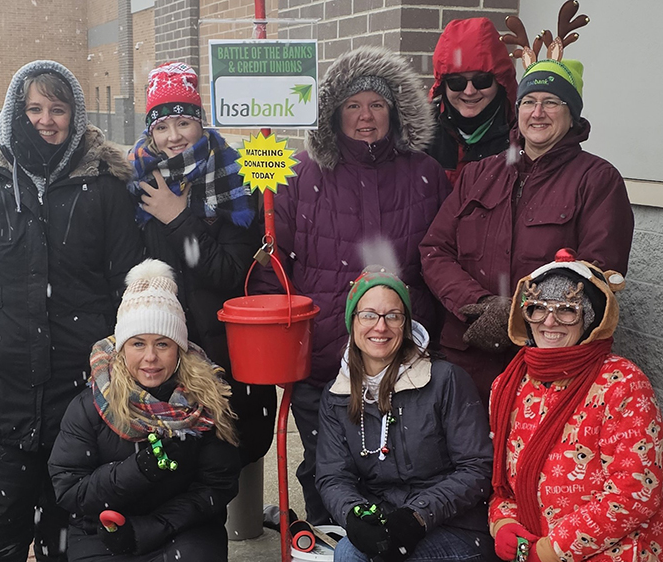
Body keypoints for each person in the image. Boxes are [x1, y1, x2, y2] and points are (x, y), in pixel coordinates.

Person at [0, 60, 144, 562]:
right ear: (15, 111)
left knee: (69, 533)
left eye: (57, 108)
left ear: (75, 113)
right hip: (0, 387)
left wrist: (128, 364)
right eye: (34, 108)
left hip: (79, 392)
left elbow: (128, 281)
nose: (45, 120)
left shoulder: (105, 184)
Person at [250, 45, 451, 525]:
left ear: (395, 111)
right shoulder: (299, 173)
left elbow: (442, 256)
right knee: (326, 468)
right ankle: (329, 545)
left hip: (403, 354)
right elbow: (271, 265)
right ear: (333, 114)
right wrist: (279, 340)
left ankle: (388, 545)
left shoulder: (425, 175)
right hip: (323, 356)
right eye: (353, 105)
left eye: (377, 105)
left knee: (398, 467)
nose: (366, 117)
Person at [419, 41, 634, 406]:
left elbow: (598, 272)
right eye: (529, 102)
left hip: (549, 364)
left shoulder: (598, 180)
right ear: (517, 111)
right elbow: (434, 250)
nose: (538, 112)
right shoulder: (478, 174)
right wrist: (480, 304)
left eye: (552, 102)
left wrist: (523, 313)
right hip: (468, 358)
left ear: (573, 116)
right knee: (467, 460)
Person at [49, 259, 241, 562]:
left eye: (162, 343)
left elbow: (216, 487)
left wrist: (151, 527)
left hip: (182, 532)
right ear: (122, 348)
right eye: (138, 343)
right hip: (102, 536)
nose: (150, 357)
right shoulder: (91, 405)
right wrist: (137, 471)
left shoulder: (206, 402)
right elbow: (70, 489)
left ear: (178, 348)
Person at [128, 61, 275, 467]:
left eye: (183, 123)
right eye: (162, 126)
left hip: (222, 346)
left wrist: (177, 217)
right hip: (164, 347)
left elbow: (231, 270)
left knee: (231, 449)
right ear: (150, 132)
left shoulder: (233, 178)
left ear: (201, 123)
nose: (173, 136)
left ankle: (237, 524)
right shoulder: (137, 178)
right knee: (173, 456)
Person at [488, 249, 663, 562]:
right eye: (537, 309)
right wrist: (502, 522)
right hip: (531, 554)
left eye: (567, 310)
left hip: (611, 558)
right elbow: (503, 481)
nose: (549, 321)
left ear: (590, 319)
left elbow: (637, 492)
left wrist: (554, 553)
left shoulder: (622, 383)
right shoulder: (508, 384)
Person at [315, 267, 498, 562]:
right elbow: (333, 476)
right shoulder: (337, 395)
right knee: (351, 551)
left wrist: (417, 516)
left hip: (456, 530)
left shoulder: (444, 380)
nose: (381, 326)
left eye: (393, 316)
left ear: (406, 323)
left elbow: (477, 467)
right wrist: (356, 515)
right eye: (369, 315)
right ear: (352, 321)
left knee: (370, 561)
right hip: (386, 523)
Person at [426, 17, 518, 185]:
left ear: (500, 82)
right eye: (456, 82)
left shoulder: (521, 135)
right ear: (443, 86)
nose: (469, 92)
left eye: (482, 80)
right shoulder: (419, 135)